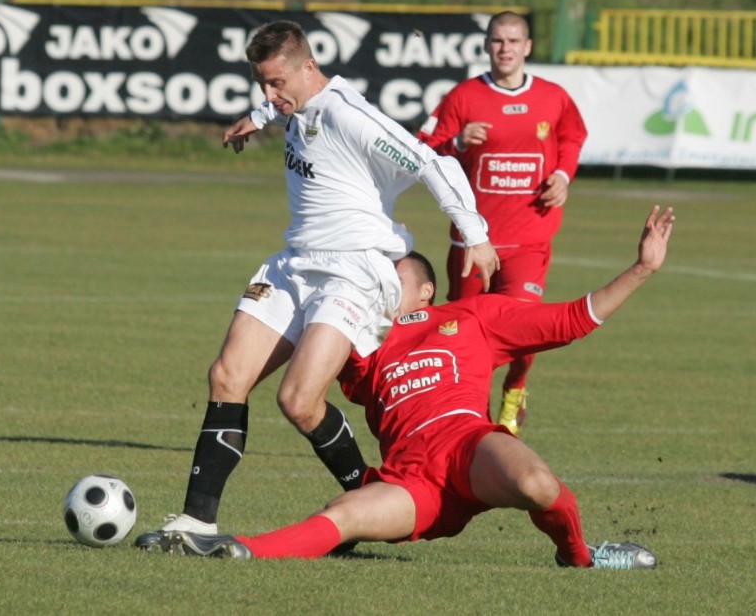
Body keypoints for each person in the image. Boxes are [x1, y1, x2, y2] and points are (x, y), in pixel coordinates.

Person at [135, 20, 498, 549]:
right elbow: (283, 107)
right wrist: (258, 117)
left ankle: (368, 500)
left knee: (300, 400)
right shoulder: (292, 103)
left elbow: (430, 161)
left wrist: (476, 236)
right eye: (261, 83)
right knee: (226, 375)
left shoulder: (350, 115)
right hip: (295, 264)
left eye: (277, 83)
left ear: (310, 67)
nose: (269, 93)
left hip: (353, 272)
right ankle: (196, 522)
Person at [156, 206, 674, 569]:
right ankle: (238, 548)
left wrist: (643, 269)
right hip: (410, 482)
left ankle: (579, 557)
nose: (375, 280)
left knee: (537, 484)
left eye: (390, 273)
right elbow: (303, 376)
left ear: (425, 289)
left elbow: (570, 320)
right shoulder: (358, 337)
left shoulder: (472, 315)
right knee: (343, 516)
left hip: (470, 447)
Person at [418, 10, 588, 435]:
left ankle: (517, 386)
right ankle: (471, 418)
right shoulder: (463, 97)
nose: (505, 49)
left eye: (513, 41)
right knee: (463, 334)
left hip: (530, 238)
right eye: (497, 41)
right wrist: (455, 143)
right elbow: (422, 148)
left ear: (528, 47)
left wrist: (564, 175)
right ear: (486, 45)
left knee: (524, 326)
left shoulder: (552, 97)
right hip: (473, 242)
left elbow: (573, 135)